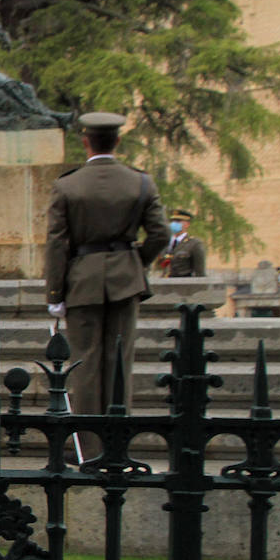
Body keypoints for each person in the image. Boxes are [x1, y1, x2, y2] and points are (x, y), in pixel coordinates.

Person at [45, 112, 170, 458]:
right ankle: (118, 446)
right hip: (125, 282)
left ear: (86, 141)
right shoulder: (140, 183)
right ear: (117, 141)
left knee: (85, 364)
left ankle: (89, 447)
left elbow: (57, 243)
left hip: (81, 280)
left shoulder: (67, 185)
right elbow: (159, 234)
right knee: (119, 363)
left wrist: (55, 293)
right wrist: (134, 263)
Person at [157, 209, 207, 277]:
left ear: (187, 224)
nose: (174, 224)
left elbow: (200, 273)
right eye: (172, 221)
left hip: (184, 284)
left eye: (178, 221)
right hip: (164, 283)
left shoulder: (194, 244)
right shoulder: (164, 242)